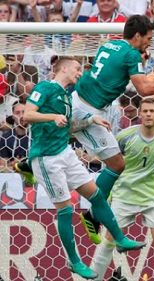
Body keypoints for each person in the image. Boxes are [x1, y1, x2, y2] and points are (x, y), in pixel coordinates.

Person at [23, 57, 145, 279]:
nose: (80, 73)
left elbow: (68, 128)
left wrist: (91, 121)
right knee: (66, 210)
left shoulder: (67, 97)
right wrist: (52, 116)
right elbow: (27, 114)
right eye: (77, 69)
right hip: (46, 158)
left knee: (97, 195)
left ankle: (119, 239)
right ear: (63, 68)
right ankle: (75, 262)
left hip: (65, 153)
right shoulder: (45, 87)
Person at [72, 15, 154, 244]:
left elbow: (117, 67)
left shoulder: (111, 44)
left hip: (79, 99)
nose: (150, 43)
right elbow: (143, 89)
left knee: (111, 162)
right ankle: (92, 214)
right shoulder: (131, 53)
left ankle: (93, 213)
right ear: (137, 36)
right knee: (118, 164)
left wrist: (137, 59)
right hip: (86, 111)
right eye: (148, 38)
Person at [92, 98, 154, 281]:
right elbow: (110, 164)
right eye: (145, 111)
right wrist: (108, 193)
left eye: (152, 111)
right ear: (139, 114)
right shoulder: (125, 136)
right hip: (125, 195)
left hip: (153, 196)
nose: (148, 114)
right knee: (108, 239)